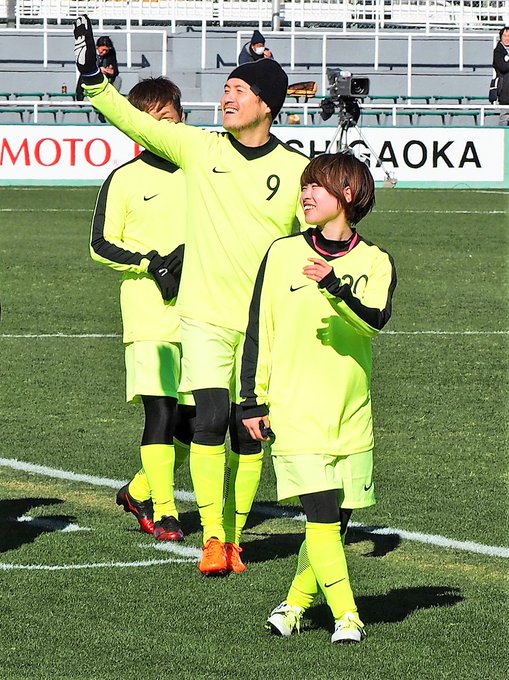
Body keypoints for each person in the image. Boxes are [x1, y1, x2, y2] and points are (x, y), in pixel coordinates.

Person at [73, 15, 309, 575]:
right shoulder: (201, 149)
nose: (226, 97)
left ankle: (235, 536)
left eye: (238, 90)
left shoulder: (297, 170)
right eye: (225, 88)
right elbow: (132, 118)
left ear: (266, 105)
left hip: (261, 325)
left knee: (249, 431)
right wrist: (95, 81)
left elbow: (313, 243)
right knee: (207, 421)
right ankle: (213, 539)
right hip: (201, 317)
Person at [241, 152, 397, 643]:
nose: (305, 194)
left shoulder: (375, 261)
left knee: (331, 527)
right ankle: (348, 616)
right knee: (323, 519)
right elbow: (258, 329)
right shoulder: (282, 252)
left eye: (317, 186)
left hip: (352, 416)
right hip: (296, 411)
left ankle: (293, 606)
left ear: (347, 195)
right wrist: (251, 401)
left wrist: (334, 287)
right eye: (304, 185)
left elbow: (373, 322)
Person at [89, 76, 195, 542]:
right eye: (152, 121)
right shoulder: (124, 179)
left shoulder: (201, 170)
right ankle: (166, 512)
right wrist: (151, 263)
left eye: (170, 118)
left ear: (182, 118)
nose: (163, 128)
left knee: (196, 422)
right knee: (161, 411)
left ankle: (137, 490)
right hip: (148, 311)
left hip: (201, 310)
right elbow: (100, 243)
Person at [76, 35, 119, 111]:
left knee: (118, 80)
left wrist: (112, 71)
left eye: (107, 50)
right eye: (103, 50)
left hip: (106, 78)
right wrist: (99, 69)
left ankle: (113, 100)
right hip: (91, 76)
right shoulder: (90, 52)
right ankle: (80, 98)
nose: (104, 52)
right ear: (97, 47)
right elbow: (86, 69)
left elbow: (115, 70)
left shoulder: (111, 53)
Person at [493, 25, 509, 126]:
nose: (507, 38)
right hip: (505, 90)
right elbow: (503, 67)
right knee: (505, 117)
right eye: (505, 36)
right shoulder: (498, 51)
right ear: (501, 37)